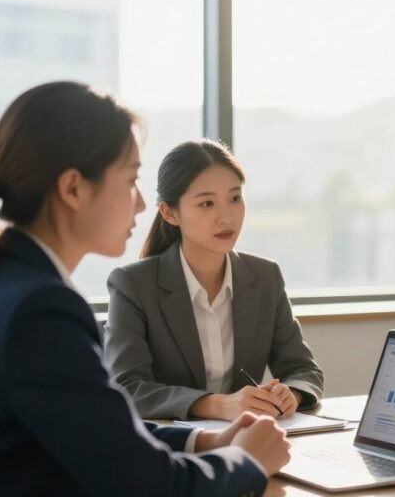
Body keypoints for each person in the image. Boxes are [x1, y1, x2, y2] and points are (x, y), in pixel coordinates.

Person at [0, 82, 290, 497]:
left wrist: (203, 441)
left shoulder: (6, 282)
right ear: (73, 189)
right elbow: (154, 492)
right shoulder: (42, 312)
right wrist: (246, 462)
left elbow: (94, 429)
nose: (142, 202)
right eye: (130, 180)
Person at [104, 139, 324, 420]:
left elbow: (304, 370)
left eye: (235, 198)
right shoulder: (132, 285)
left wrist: (291, 394)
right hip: (169, 448)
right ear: (170, 213)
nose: (226, 217)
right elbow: (127, 387)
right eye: (207, 203)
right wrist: (216, 405)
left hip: (247, 441)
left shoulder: (265, 277)